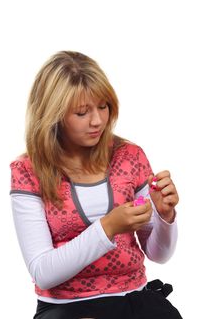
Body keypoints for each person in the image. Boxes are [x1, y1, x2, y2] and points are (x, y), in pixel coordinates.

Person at [10, 51, 182, 319]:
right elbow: (43, 273)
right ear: (54, 115)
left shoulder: (130, 156)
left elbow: (159, 255)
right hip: (66, 309)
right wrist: (108, 226)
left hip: (135, 299)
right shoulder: (27, 171)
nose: (97, 121)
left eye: (103, 107)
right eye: (82, 112)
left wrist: (165, 216)